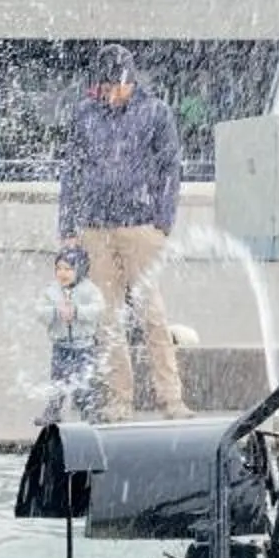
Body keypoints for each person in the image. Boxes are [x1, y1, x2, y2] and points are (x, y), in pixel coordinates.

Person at [57, 45, 187, 418]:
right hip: (95, 229)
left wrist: (162, 224)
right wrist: (67, 227)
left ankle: (171, 398)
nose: (108, 93)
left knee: (152, 313)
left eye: (115, 85)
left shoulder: (155, 112)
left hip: (140, 227)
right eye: (103, 86)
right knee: (105, 317)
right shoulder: (84, 115)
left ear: (130, 81)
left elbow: (170, 169)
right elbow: (72, 171)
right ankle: (119, 400)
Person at [38, 242, 107, 420]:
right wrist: (55, 312)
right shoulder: (51, 291)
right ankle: (53, 410)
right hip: (60, 345)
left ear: (81, 270)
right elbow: (39, 311)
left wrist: (77, 312)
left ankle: (89, 411)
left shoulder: (89, 290)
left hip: (84, 345)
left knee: (85, 380)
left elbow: (98, 309)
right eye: (59, 268)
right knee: (58, 379)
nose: (63, 273)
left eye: (68, 269)